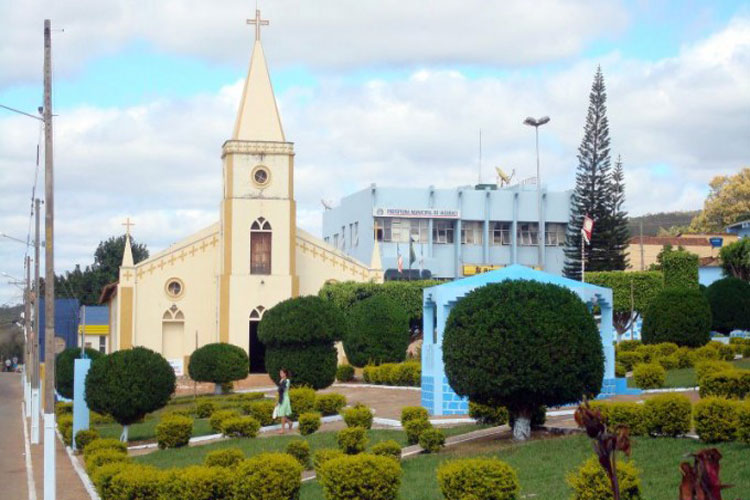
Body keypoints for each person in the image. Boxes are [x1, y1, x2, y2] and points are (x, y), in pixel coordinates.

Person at [275, 368, 293, 434]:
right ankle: (289, 422)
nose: (280, 374)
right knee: (281, 413)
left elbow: (284, 390)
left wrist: (280, 383)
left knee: (282, 414)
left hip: (285, 399)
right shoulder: (282, 381)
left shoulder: (287, 381)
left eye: (282, 373)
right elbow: (279, 391)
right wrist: (277, 400)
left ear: (285, 374)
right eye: (280, 373)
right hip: (281, 398)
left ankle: (282, 430)